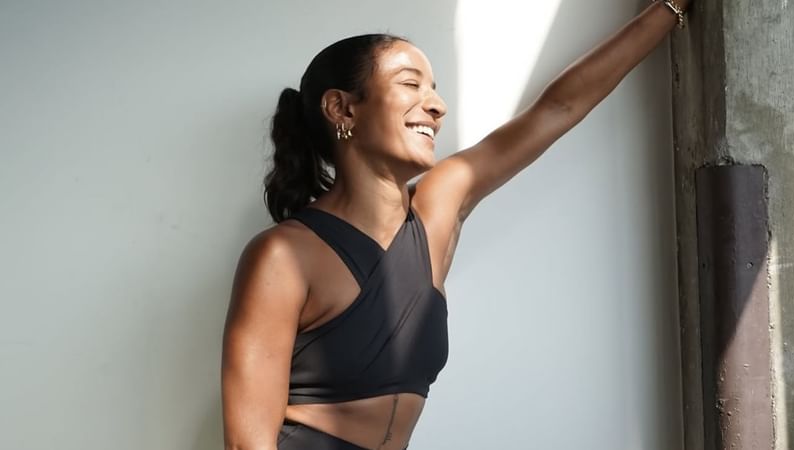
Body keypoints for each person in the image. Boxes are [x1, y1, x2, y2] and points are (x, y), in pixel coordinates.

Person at [221, 1, 691, 449]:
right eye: (411, 85)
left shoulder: (436, 210)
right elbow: (247, 443)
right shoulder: (283, 255)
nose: (437, 106)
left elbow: (558, 109)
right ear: (343, 109)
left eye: (435, 88)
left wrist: (669, 9)